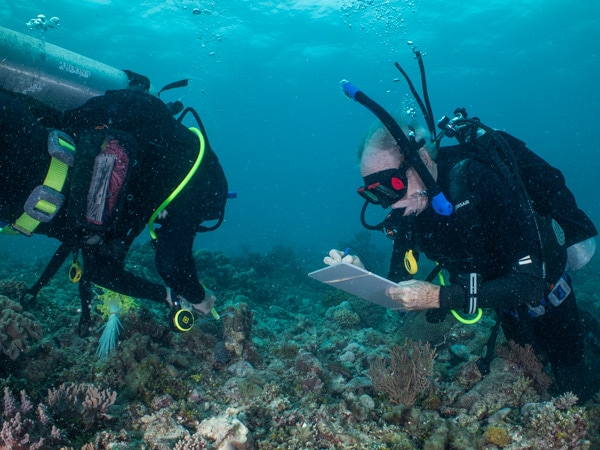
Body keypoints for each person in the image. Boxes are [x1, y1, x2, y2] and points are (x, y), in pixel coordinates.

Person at [327, 69, 598, 399]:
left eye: (390, 187)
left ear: (422, 160)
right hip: (506, 310)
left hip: (551, 299)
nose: (388, 204)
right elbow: (397, 283)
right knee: (532, 378)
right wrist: (360, 273)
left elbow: (530, 284)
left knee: (575, 389)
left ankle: (587, 331)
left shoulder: (477, 181)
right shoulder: (411, 210)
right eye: (374, 194)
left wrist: (438, 297)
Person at [0, 87, 229, 337]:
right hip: (17, 188)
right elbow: (171, 264)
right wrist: (198, 295)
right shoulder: (198, 181)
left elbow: (101, 270)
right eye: (197, 220)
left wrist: (167, 295)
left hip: (24, 134)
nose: (169, 223)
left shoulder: (142, 178)